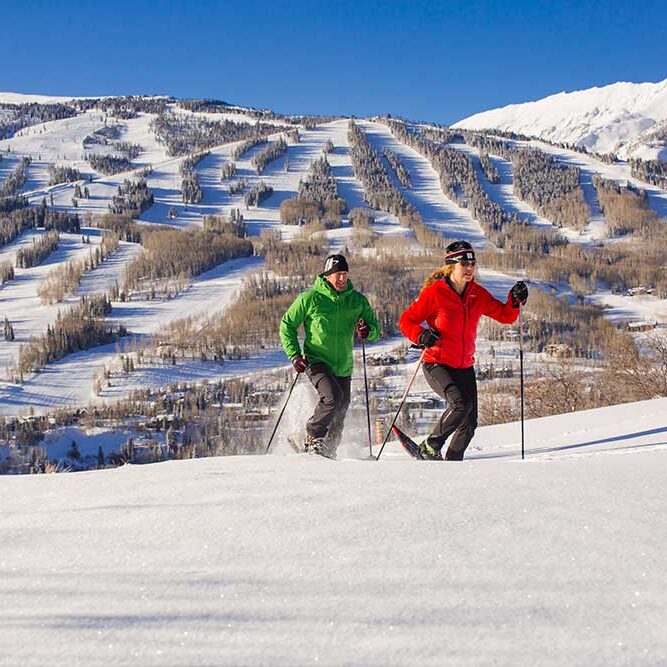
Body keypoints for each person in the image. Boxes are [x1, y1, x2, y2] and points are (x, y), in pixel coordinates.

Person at [398, 240, 528, 461]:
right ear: (451, 267)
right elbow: (406, 320)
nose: (470, 269)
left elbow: (505, 315)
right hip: (437, 362)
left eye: (472, 264)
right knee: (460, 405)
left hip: (464, 366)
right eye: (464, 264)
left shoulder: (476, 294)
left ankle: (452, 464)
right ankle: (430, 446)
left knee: (469, 423)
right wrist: (421, 335)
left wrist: (514, 300)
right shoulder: (434, 293)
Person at [279, 253, 380, 458]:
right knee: (332, 397)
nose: (342, 279)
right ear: (327, 276)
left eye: (344, 274)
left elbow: (375, 328)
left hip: (343, 364)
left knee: (341, 409)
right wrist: (294, 355)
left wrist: (367, 331)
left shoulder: (356, 300)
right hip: (316, 360)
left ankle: (329, 451)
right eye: (337, 275)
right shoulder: (310, 298)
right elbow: (287, 325)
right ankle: (313, 438)